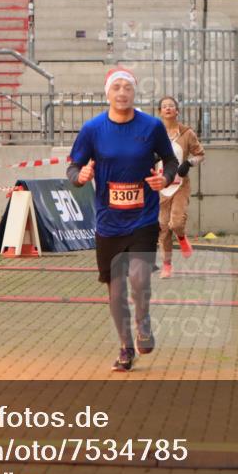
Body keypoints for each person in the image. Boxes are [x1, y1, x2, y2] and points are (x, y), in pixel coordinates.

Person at [67, 68, 178, 372]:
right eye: (116, 87)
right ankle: (125, 348)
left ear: (134, 92)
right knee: (115, 291)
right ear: (107, 93)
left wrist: (165, 178)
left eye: (127, 87)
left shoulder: (152, 126)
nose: (121, 92)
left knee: (140, 279)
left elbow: (171, 160)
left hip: (142, 219)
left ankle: (143, 321)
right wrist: (81, 176)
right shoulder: (93, 129)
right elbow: (73, 167)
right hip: (108, 222)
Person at [156, 96, 205, 279]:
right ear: (160, 112)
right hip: (161, 185)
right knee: (163, 227)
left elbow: (201, 154)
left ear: (177, 111)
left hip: (180, 185)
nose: (167, 109)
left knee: (175, 223)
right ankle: (167, 265)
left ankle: (182, 238)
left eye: (171, 106)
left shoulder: (186, 133)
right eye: (164, 106)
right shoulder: (155, 133)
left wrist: (189, 163)